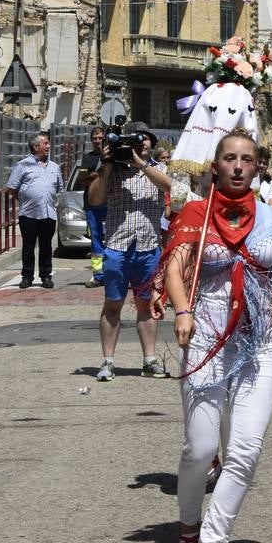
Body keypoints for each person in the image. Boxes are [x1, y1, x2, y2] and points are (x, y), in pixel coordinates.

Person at [160, 131, 272, 543]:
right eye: (230, 158)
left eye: (247, 159)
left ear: (258, 168)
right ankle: (189, 526)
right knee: (200, 450)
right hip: (206, 333)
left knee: (246, 449)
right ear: (215, 166)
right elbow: (176, 268)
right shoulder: (195, 214)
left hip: (259, 339)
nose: (238, 166)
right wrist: (182, 311)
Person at [86, 123, 173, 381]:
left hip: (148, 248)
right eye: (137, 140)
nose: (141, 143)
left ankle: (149, 360)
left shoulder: (159, 169)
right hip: (118, 246)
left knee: (146, 305)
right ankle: (108, 361)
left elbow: (170, 187)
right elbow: (94, 199)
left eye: (146, 139)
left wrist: (139, 164)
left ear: (152, 144)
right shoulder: (112, 171)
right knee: (112, 304)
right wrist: (107, 164)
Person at [5, 132, 62, 289]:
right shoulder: (23, 165)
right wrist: (24, 200)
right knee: (28, 247)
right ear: (36, 147)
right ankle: (27, 276)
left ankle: (45, 276)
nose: (49, 146)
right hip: (28, 214)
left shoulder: (54, 167)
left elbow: (58, 188)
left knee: (46, 246)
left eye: (49, 143)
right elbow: (11, 187)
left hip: (48, 213)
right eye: (46, 143)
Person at [80, 126, 109, 287]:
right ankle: (99, 275)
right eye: (95, 138)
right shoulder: (88, 158)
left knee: (113, 238)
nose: (97, 141)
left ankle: (113, 271)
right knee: (96, 239)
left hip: (110, 203)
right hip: (91, 205)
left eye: (100, 138)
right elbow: (83, 179)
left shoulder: (111, 156)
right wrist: (100, 172)